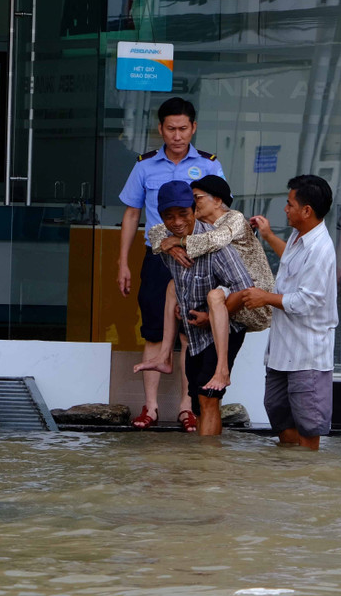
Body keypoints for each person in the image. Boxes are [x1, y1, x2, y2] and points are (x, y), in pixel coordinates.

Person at [118, 97, 225, 432]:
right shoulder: (145, 166)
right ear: (160, 129)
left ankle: (185, 406)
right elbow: (132, 214)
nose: (177, 135)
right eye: (170, 129)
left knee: (189, 332)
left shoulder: (209, 165)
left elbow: (219, 214)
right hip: (157, 258)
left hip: (197, 259)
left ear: (193, 127)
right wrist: (122, 262)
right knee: (152, 329)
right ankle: (149, 407)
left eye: (183, 128)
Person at [140, 174, 275, 392]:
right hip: (229, 292)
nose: (192, 204)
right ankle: (164, 355)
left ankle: (222, 370)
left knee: (214, 296)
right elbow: (156, 231)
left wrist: (177, 240)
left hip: (253, 297)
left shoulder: (234, 219)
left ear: (218, 200)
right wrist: (168, 245)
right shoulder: (197, 224)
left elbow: (215, 240)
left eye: (197, 198)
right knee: (173, 286)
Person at [243, 175, 337, 450]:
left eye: (289, 204)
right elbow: (292, 261)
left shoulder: (321, 249)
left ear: (306, 211)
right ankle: (288, 478)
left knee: (309, 424)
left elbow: (307, 302)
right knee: (279, 416)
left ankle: (305, 482)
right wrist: (268, 235)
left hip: (307, 355)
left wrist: (265, 298)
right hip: (282, 351)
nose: (285, 208)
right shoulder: (300, 236)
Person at [154, 180, 254, 436]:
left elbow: (244, 290)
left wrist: (211, 316)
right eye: (169, 216)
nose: (176, 222)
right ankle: (202, 464)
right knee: (199, 402)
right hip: (194, 335)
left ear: (194, 210)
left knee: (209, 398)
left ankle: (209, 469)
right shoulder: (167, 243)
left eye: (183, 214)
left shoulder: (217, 245)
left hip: (226, 328)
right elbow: (154, 236)